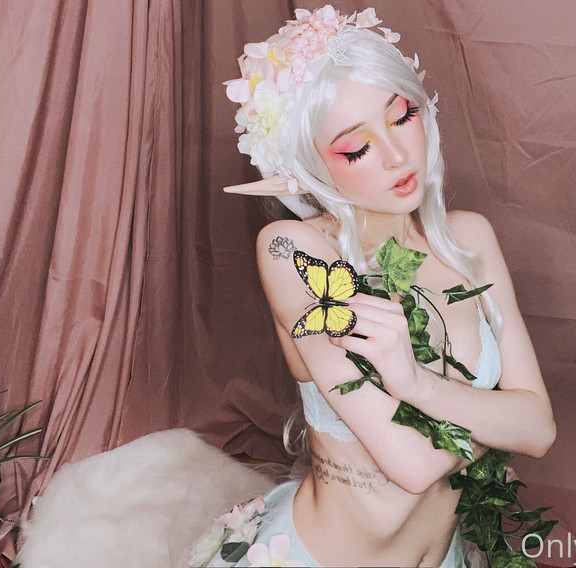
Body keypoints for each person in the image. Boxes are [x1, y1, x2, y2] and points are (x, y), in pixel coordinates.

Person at [191, 6, 555, 567]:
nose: (396, 156)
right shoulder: (295, 250)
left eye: (402, 115)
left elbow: (540, 429)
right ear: (309, 166)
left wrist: (415, 384)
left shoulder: (470, 239)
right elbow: (414, 464)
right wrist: (502, 418)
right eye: (355, 148)